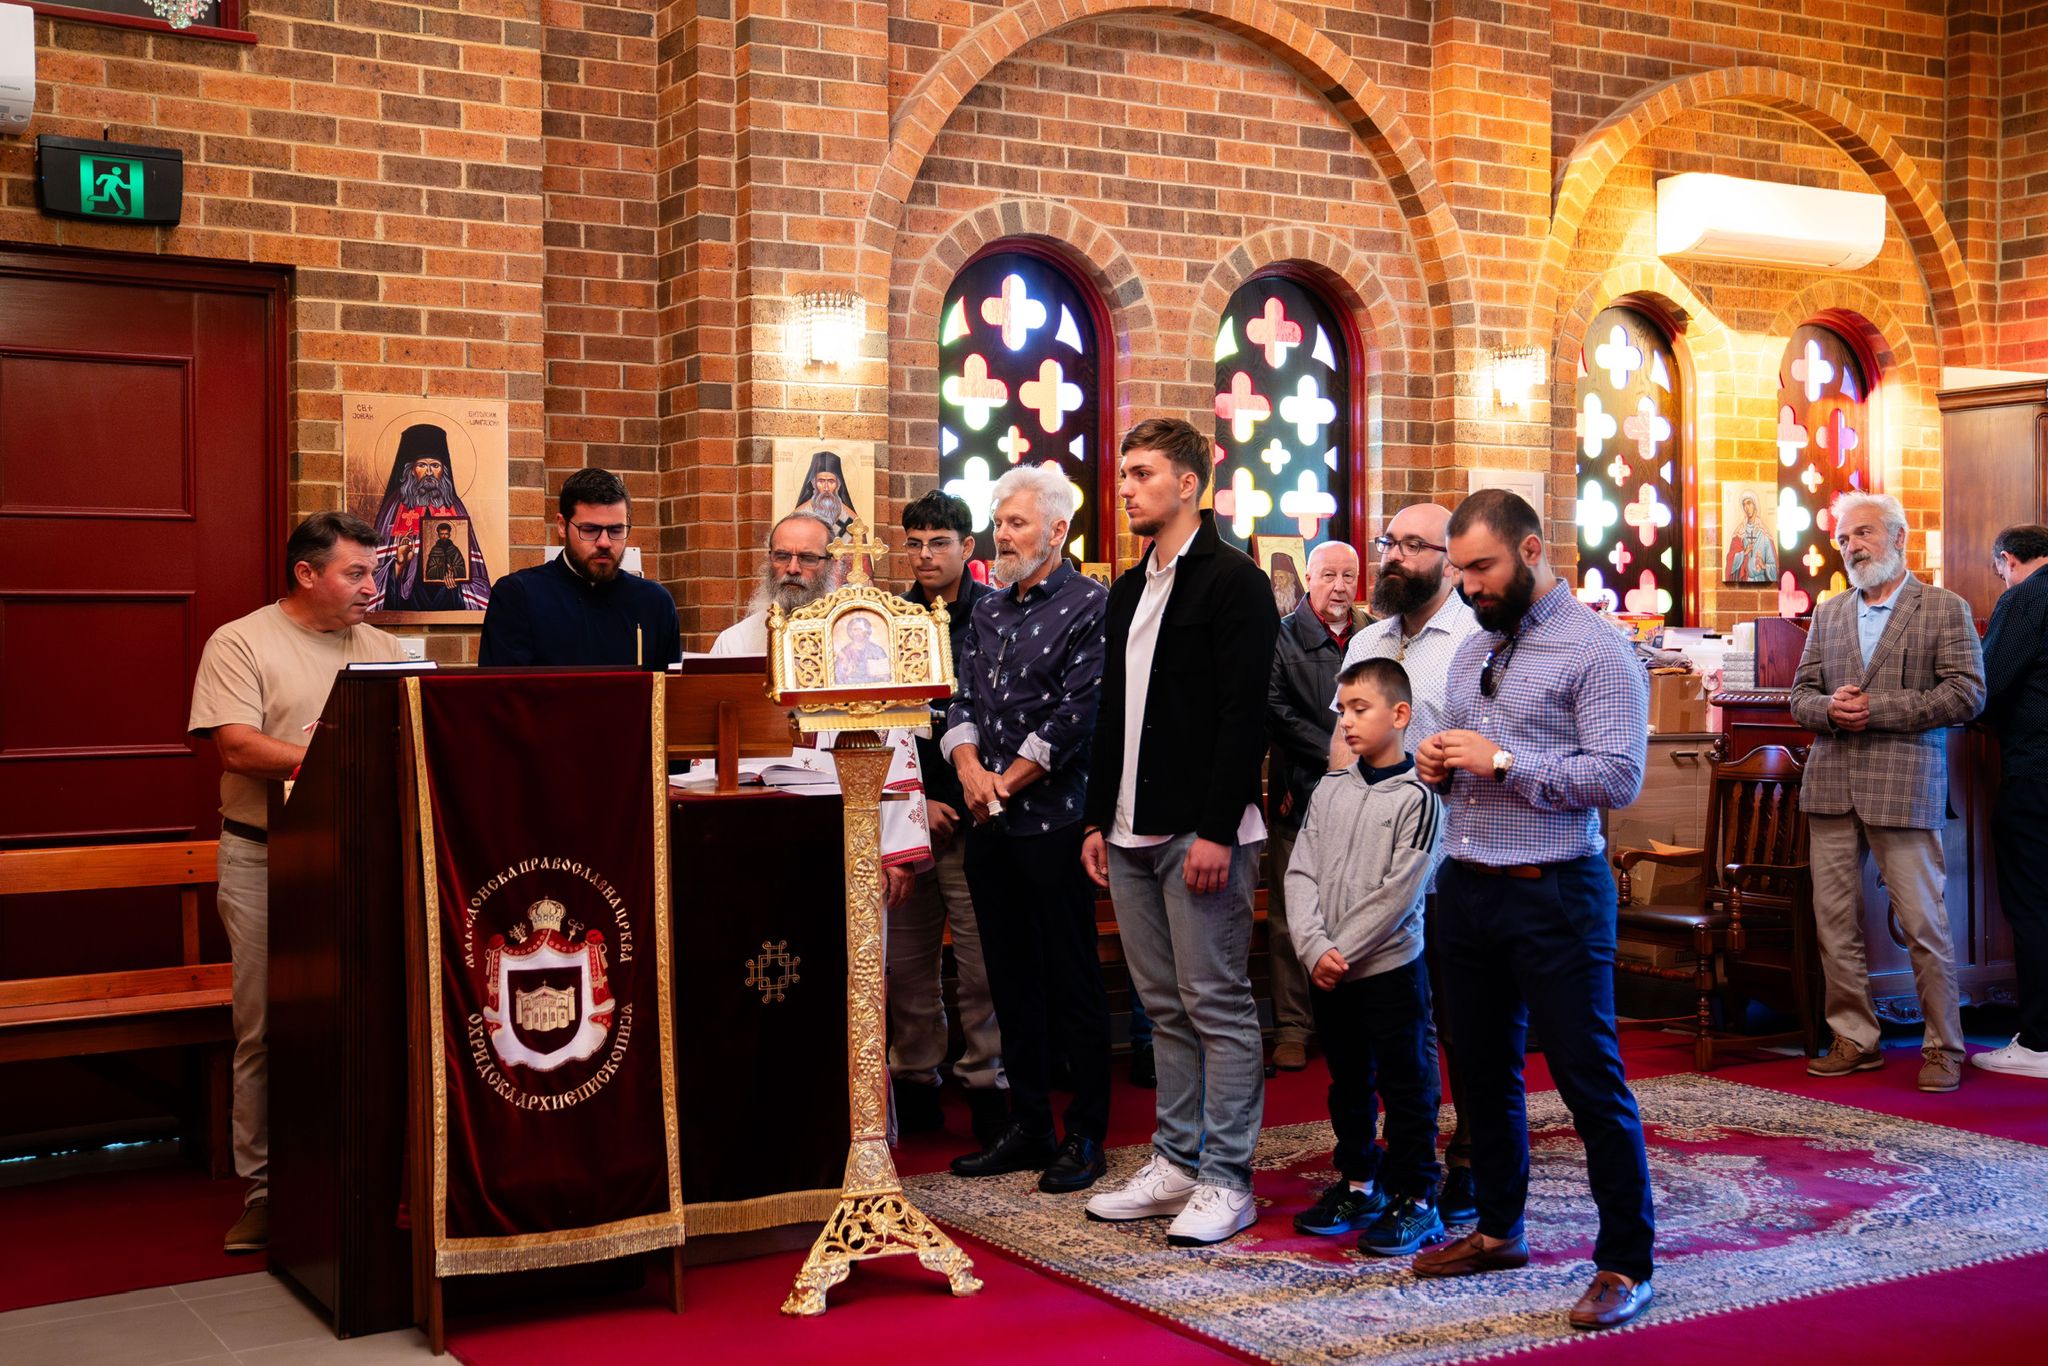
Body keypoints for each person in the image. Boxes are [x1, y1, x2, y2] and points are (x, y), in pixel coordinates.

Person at [1410, 489, 1655, 1332]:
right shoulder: (1474, 647)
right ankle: (1498, 1231)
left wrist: (1505, 760)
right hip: (1469, 885)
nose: (1469, 586)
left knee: (1589, 1081)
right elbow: (1463, 766)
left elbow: (1618, 777)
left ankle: (1626, 1263)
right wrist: (1438, 764)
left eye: (1481, 567)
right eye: (1459, 571)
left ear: (1530, 550)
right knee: (1481, 1077)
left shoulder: (1597, 650)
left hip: (1555, 891)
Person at [1080, 417, 1279, 1247]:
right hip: (1130, 830)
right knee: (1163, 1008)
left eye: (1142, 473)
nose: (1126, 488)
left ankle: (1227, 1177)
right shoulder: (1130, 588)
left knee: (1217, 1005)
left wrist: (1217, 829)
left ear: (1189, 483)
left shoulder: (1235, 582)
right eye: (1124, 474)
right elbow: (1114, 712)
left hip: (1201, 832)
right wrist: (1098, 817)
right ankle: (1176, 1161)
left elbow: (1244, 717)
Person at [187, 513, 408, 1252]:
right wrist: (338, 757)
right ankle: (266, 1191)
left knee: (368, 1016)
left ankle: (360, 1179)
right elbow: (237, 748)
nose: (372, 587)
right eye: (356, 573)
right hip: (265, 858)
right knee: (266, 1025)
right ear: (306, 574)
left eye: (375, 572)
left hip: (365, 858)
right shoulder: (241, 642)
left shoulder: (384, 649)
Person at [942, 462, 1112, 1193]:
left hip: (1054, 824)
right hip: (990, 825)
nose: (1001, 535)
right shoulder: (987, 609)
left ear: (1057, 530)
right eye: (998, 521)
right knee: (1007, 977)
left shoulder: (1091, 605)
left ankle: (1086, 1133)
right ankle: (1031, 1124)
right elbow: (959, 700)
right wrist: (970, 772)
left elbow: (1078, 716)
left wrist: (1003, 784)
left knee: (1070, 978)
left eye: (1016, 523)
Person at [1790, 492, 1985, 1093]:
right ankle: (1855, 1038)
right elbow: (1800, 696)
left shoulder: (1944, 607)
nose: (1851, 547)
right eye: (1843, 539)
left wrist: (1878, 710)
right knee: (1834, 924)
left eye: (1863, 533)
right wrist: (1829, 708)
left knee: (1923, 924)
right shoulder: (1829, 613)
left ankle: (1943, 1047)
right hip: (1831, 787)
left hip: (1904, 786)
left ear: (1899, 537)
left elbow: (1967, 693)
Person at [1332, 500, 1482, 1223]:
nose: (1394, 556)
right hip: (1374, 865)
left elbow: (1483, 748)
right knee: (1388, 1025)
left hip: (1453, 856)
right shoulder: (1369, 640)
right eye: (1389, 541)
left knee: (1461, 1022)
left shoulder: (1475, 641)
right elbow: (1344, 744)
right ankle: (1387, 1168)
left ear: (1451, 563)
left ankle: (1471, 1161)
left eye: (1414, 545)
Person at [1286, 657, 1445, 1256]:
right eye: (1343, 710)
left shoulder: (1420, 798)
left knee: (1406, 1086)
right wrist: (1313, 947)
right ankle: (1359, 1184)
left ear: (1399, 715)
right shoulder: (1330, 789)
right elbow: (1300, 871)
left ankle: (1417, 1198)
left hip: (1389, 970)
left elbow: (1400, 893)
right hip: (1328, 970)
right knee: (1348, 1082)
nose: (1347, 722)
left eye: (1360, 709)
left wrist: (1339, 950)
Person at [711, 511, 928, 908]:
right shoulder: (734, 644)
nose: (792, 568)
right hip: (754, 828)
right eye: (782, 555)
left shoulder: (862, 642)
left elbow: (895, 738)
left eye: (808, 558)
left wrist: (897, 852)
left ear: (832, 566)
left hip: (845, 829)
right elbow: (709, 748)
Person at [888, 491, 1007, 1143]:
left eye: (939, 542)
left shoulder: (996, 616)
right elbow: (881, 724)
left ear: (967, 546)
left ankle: (987, 1081)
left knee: (981, 964)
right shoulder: (888, 620)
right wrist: (913, 804)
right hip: (908, 818)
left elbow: (1004, 716)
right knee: (908, 969)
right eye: (915, 542)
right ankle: (915, 1077)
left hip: (975, 817)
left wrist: (963, 796)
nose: (925, 554)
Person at [1265, 539, 1361, 1072]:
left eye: (1349, 576)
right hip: (1299, 794)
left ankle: (1348, 1021)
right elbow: (1273, 709)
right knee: (1290, 916)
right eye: (1329, 576)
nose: (1340, 587)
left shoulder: (1374, 636)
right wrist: (1334, 750)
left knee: (1354, 910)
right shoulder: (1281, 636)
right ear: (1309, 579)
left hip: (1365, 799)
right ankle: (1293, 1027)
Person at [478, 468, 680, 668]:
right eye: (590, 530)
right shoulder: (517, 597)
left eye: (616, 530)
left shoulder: (654, 603)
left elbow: (671, 687)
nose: (604, 542)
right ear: (562, 526)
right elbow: (501, 687)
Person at [1976, 524, 2048, 1078]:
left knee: (2034, 905)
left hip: (2036, 770)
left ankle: (2040, 1043)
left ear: (2008, 560)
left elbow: (1986, 682)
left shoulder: (2026, 596)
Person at [370, 423, 491, 612]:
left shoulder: (455, 507)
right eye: (422, 465)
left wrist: (457, 579)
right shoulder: (393, 507)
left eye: (435, 465)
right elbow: (376, 575)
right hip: (405, 601)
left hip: (449, 596)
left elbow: (474, 576)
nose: (429, 473)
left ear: (443, 470)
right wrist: (399, 564)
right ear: (411, 470)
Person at [793, 449, 858, 540]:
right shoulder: (799, 515)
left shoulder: (851, 519)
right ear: (813, 483)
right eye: (821, 481)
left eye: (831, 481)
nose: (826, 488)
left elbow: (859, 547)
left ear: (838, 485)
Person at [1723, 491, 1778, 583]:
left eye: (1749, 503)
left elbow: (1774, 569)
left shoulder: (1764, 534)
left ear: (1755, 505)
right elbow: (1730, 565)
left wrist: (1764, 565)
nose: (1746, 507)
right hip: (1744, 582)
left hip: (1761, 582)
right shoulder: (1739, 533)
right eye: (1744, 504)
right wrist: (1744, 552)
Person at [833, 615, 890, 684]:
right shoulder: (844, 652)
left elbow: (886, 676)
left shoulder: (877, 650)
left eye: (860, 629)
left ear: (867, 631)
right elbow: (838, 676)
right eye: (855, 629)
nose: (857, 633)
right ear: (850, 632)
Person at [423, 522, 467, 587]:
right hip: (436, 586)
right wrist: (441, 566)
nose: (444, 536)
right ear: (438, 535)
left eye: (446, 534)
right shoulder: (434, 551)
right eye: (441, 534)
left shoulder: (454, 550)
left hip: (454, 584)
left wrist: (452, 569)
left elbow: (462, 569)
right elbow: (429, 572)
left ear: (449, 535)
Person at [1270, 551, 1303, 616]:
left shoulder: (1301, 602)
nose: (1277, 582)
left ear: (1290, 578)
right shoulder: (1270, 602)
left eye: (1281, 577)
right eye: (1275, 577)